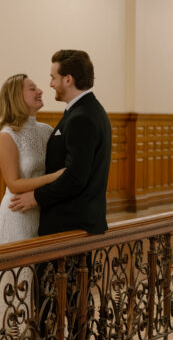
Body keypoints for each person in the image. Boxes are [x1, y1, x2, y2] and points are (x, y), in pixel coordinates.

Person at [9, 49, 111, 235]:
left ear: (68, 79)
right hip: (75, 221)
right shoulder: (86, 110)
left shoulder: (82, 117)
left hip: (71, 223)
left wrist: (36, 198)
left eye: (53, 78)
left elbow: (75, 178)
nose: (50, 84)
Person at [0, 73, 65, 244]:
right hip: (18, 214)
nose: (40, 91)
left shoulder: (46, 130)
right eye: (32, 89)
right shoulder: (7, 135)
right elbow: (14, 184)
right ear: (16, 97)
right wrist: (54, 177)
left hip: (43, 210)